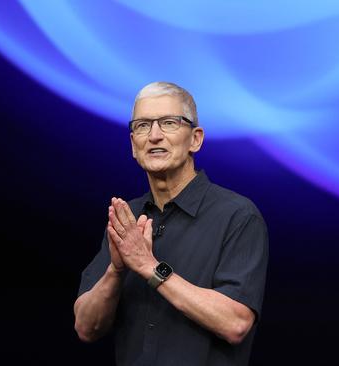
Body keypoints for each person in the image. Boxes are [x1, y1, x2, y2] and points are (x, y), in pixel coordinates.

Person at [74, 82, 269, 366]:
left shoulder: (237, 216)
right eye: (142, 126)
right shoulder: (126, 219)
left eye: (168, 123)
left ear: (196, 139)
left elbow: (235, 323)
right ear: (133, 145)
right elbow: (85, 327)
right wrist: (116, 270)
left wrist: (149, 267)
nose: (154, 136)